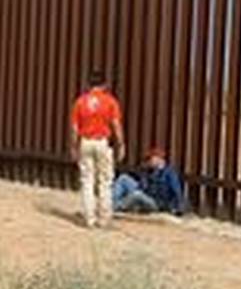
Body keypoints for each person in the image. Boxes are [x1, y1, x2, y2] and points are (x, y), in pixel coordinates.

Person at [69, 71, 126, 228]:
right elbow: (116, 125)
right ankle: (104, 218)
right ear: (105, 84)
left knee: (87, 180)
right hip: (102, 142)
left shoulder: (80, 102)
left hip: (85, 142)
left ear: (88, 84)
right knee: (105, 181)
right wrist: (121, 144)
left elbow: (74, 128)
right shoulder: (110, 102)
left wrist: (74, 147)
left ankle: (89, 218)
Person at [112, 147, 188, 215]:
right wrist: (144, 174)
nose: (148, 161)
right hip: (146, 193)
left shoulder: (169, 173)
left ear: (158, 159)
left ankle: (116, 207)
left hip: (157, 203)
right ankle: (111, 202)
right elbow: (142, 185)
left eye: (150, 159)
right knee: (123, 178)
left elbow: (176, 190)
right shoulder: (150, 171)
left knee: (136, 195)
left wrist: (178, 207)